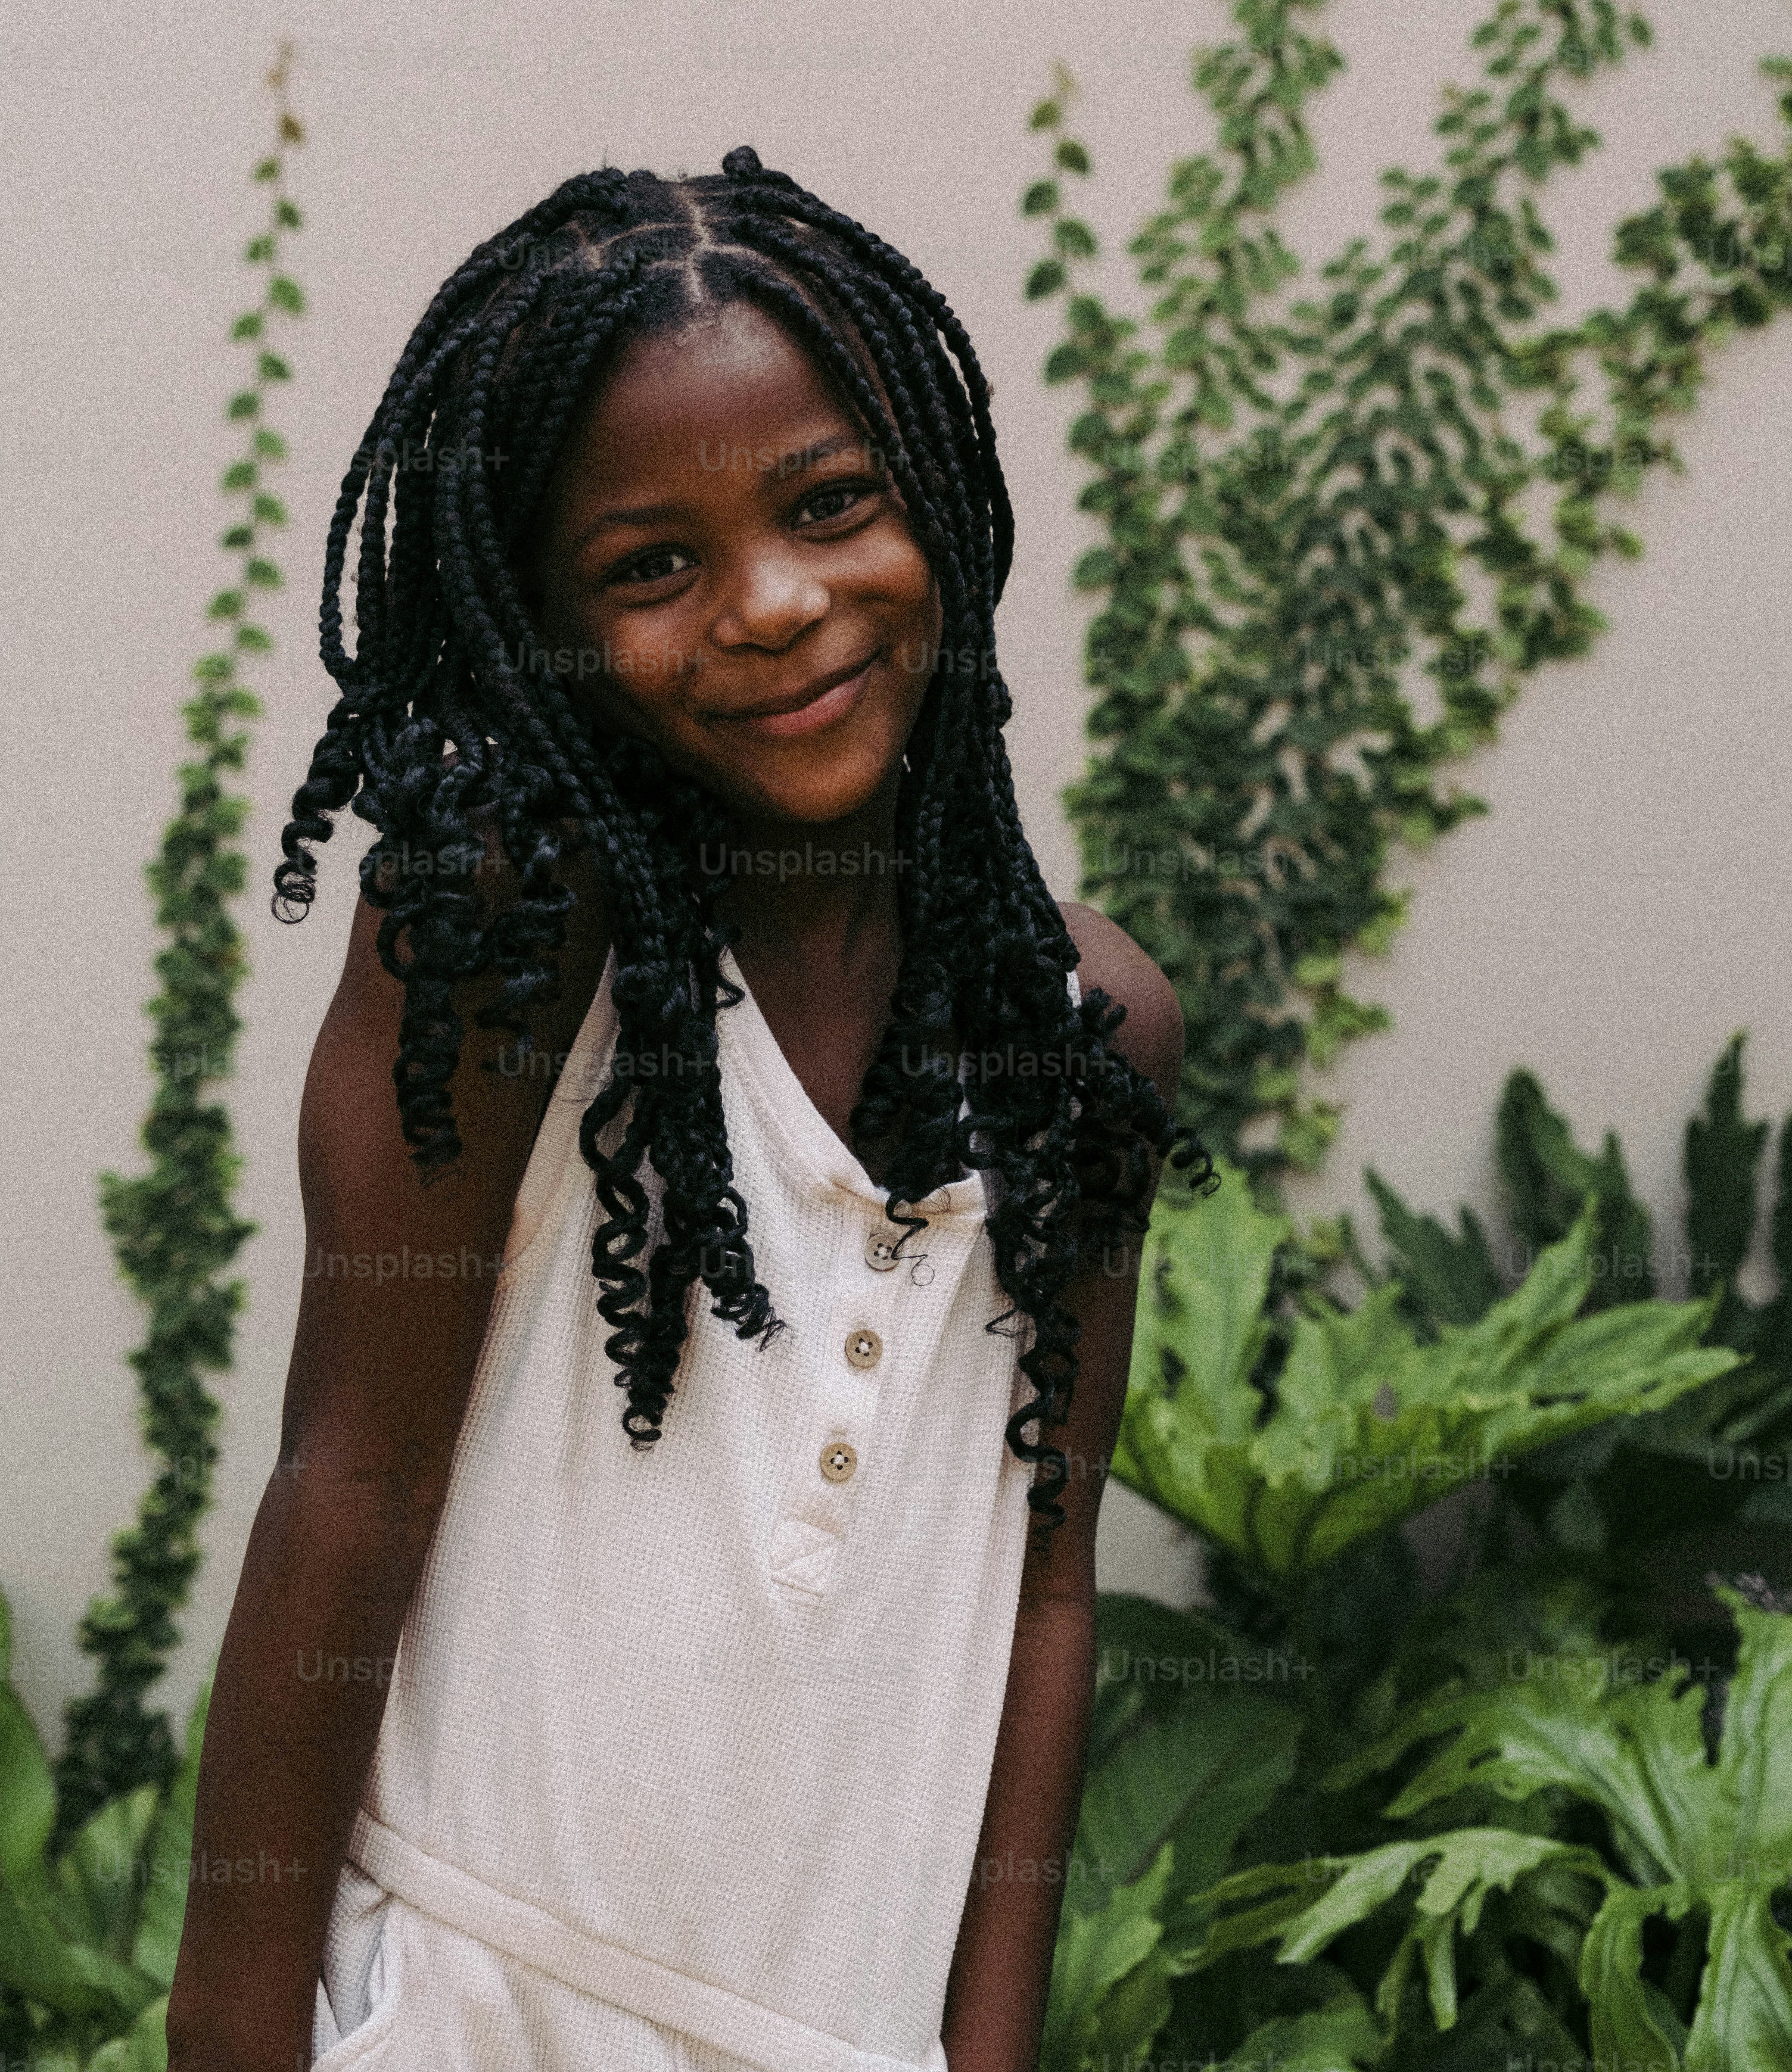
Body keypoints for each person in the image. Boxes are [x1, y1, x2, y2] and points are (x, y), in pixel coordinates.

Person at [164, 148, 1209, 2072]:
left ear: (945, 516)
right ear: (531, 617)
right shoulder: (502, 948)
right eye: (652, 565)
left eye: (829, 506)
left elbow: (1041, 1594)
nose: (773, 605)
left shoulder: (1086, 1034)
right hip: (472, 2011)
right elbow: (347, 1488)